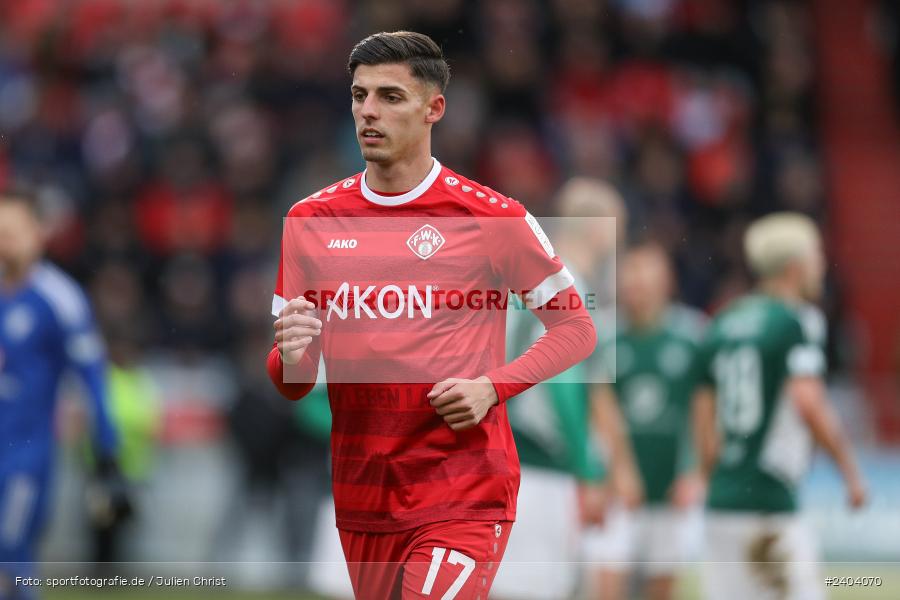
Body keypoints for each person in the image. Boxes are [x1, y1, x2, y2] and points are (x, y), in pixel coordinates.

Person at [267, 31, 597, 600]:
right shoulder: (309, 220)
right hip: (364, 493)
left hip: (463, 489)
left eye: (390, 96)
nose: (368, 111)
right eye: (360, 95)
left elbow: (577, 328)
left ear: (433, 108)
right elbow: (293, 381)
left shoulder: (494, 218)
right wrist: (289, 354)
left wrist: (492, 387)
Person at [694, 213, 867, 600]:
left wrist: (714, 478)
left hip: (722, 501)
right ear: (795, 266)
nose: (823, 265)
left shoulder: (722, 322)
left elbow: (703, 418)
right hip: (770, 500)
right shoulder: (797, 320)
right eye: (817, 255)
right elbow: (808, 402)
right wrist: (850, 472)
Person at [491, 177, 624, 600]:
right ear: (600, 228)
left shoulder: (522, 280)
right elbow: (561, 384)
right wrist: (587, 467)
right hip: (540, 462)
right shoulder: (571, 287)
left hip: (496, 447)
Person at [0, 188, 129, 600]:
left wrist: (107, 452)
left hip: (23, 456)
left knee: (10, 555)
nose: (5, 242)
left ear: (39, 233)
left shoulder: (60, 299)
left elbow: (91, 377)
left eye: (14, 232)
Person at [585, 243, 706, 600]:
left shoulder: (692, 336)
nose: (634, 283)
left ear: (666, 281)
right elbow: (599, 407)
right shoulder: (605, 335)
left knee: (661, 589)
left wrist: (696, 471)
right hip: (617, 491)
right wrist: (617, 471)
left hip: (671, 489)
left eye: (644, 274)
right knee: (607, 584)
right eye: (629, 275)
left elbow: (703, 411)